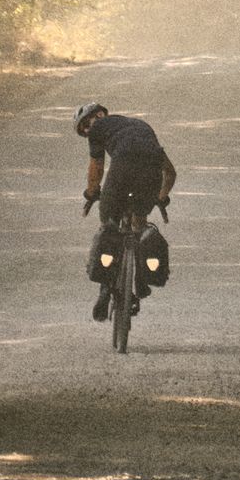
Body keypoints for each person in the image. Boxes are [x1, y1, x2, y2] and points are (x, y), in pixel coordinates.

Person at [75, 102, 176, 321]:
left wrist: (92, 193)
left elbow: (97, 168)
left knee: (109, 227)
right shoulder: (142, 126)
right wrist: (160, 197)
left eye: (85, 124)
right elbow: (170, 173)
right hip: (151, 173)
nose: (86, 130)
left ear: (100, 114)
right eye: (83, 130)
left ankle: (104, 288)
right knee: (139, 224)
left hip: (122, 168)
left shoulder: (98, 128)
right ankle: (140, 278)